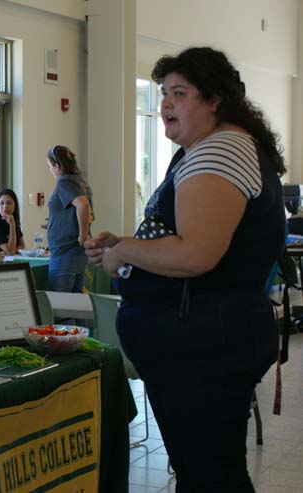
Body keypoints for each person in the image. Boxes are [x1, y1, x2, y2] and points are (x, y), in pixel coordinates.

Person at [85, 47, 285, 492]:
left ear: (214, 100)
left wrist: (126, 252)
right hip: (203, 339)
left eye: (180, 93)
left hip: (204, 344)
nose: (166, 104)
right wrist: (125, 250)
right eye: (163, 93)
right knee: (205, 471)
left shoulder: (220, 149)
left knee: (211, 475)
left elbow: (197, 254)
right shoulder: (215, 147)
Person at [45, 145, 93, 293]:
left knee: (61, 307)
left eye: (50, 166)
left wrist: (82, 236)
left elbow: (83, 206)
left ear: (57, 166)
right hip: (74, 253)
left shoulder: (64, 182)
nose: (50, 170)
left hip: (65, 252)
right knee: (76, 305)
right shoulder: (79, 181)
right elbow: (86, 214)